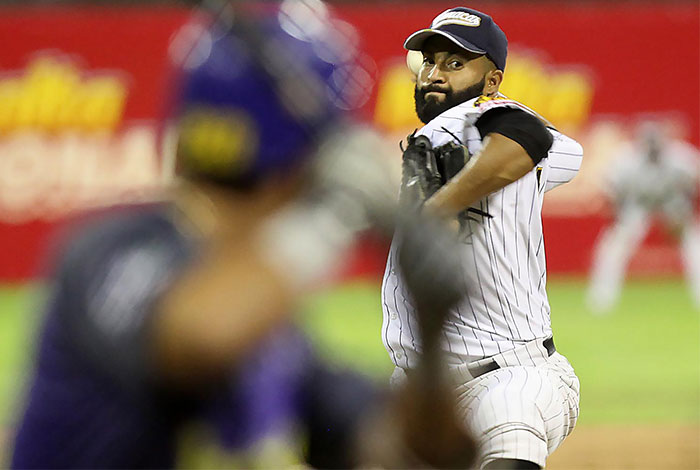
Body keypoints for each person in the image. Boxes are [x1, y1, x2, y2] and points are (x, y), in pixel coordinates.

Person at [11, 2, 478, 468]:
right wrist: (335, 215)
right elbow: (201, 336)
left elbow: (415, 455)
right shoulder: (110, 255)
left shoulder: (277, 343)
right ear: (305, 169)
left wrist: (432, 329)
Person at [381, 7, 584, 470]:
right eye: (430, 61)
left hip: (510, 379)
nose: (435, 73)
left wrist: (441, 206)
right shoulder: (441, 134)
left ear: (491, 82)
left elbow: (525, 133)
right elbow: (566, 152)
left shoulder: (487, 117)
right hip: (420, 387)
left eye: (455, 63)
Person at [587, 122, 700, 312]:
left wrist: (686, 216)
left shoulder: (681, 158)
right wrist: (618, 220)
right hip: (636, 204)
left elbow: (693, 187)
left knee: (694, 246)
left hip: (672, 202)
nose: (653, 150)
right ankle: (601, 301)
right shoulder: (625, 161)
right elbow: (613, 193)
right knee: (613, 247)